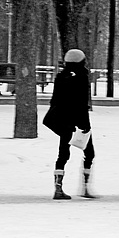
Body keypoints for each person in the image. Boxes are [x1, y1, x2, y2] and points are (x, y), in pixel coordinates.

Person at [43, 49, 97, 200]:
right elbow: (81, 103)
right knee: (89, 153)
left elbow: (55, 100)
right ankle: (85, 187)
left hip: (63, 121)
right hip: (78, 121)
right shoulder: (82, 77)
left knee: (63, 154)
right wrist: (85, 125)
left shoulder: (61, 77)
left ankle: (58, 188)